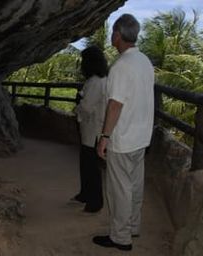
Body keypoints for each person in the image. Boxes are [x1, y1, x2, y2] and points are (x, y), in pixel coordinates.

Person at [92, 14, 154, 251]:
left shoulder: (120, 66)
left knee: (119, 189)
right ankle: (133, 226)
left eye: (112, 34)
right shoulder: (144, 61)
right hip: (141, 137)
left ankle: (120, 237)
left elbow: (115, 105)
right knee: (135, 186)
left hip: (123, 138)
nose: (111, 37)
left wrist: (105, 137)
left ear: (117, 35)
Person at [70, 46, 108, 213]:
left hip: (93, 130)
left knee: (91, 167)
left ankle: (95, 201)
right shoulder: (102, 79)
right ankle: (85, 194)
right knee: (86, 164)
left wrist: (78, 103)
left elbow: (86, 107)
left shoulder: (95, 82)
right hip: (93, 128)